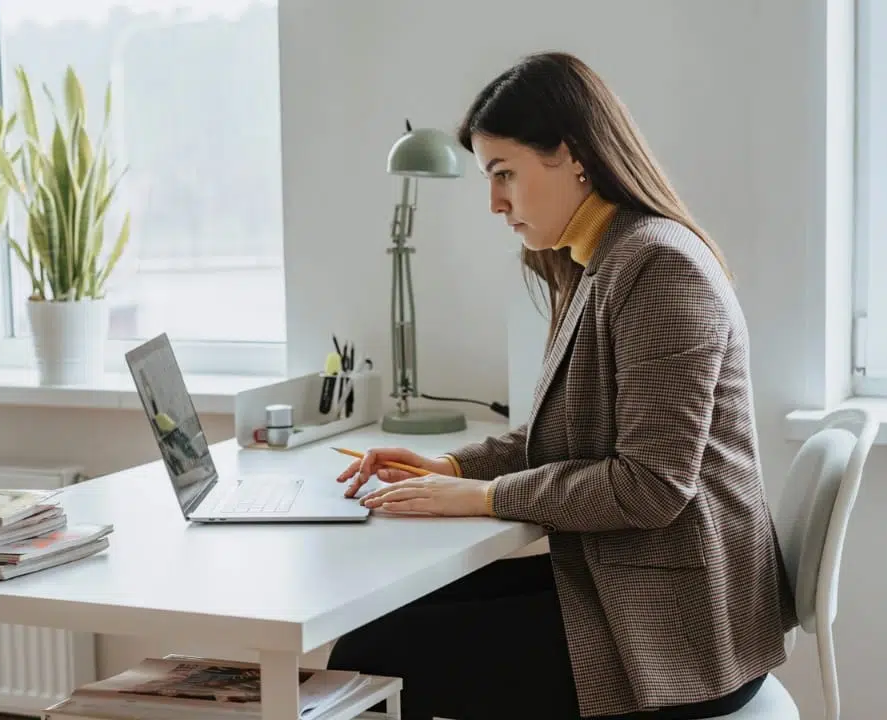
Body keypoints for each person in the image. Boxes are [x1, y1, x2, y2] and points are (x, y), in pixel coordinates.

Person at [327, 51, 799, 720]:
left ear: (572, 155)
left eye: (504, 174)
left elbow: (652, 486)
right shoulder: (595, 261)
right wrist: (451, 466)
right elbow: (561, 438)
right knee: (381, 630)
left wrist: (484, 496)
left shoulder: (660, 266)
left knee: (377, 655)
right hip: (629, 586)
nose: (494, 203)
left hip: (681, 632)